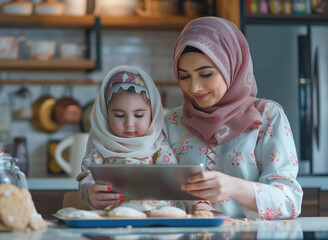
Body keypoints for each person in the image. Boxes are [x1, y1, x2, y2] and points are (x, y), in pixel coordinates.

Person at [164, 17, 303, 219]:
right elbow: (157, 194)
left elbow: (289, 200)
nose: (194, 87)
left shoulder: (267, 117)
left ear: (232, 66)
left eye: (206, 74)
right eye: (184, 76)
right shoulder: (172, 122)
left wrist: (233, 187)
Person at [76, 65, 179, 210]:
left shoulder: (158, 146)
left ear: (152, 114)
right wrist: (90, 193)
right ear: (105, 116)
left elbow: (172, 176)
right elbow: (86, 176)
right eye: (119, 115)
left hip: (153, 217)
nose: (129, 124)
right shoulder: (100, 148)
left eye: (138, 115)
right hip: (113, 218)